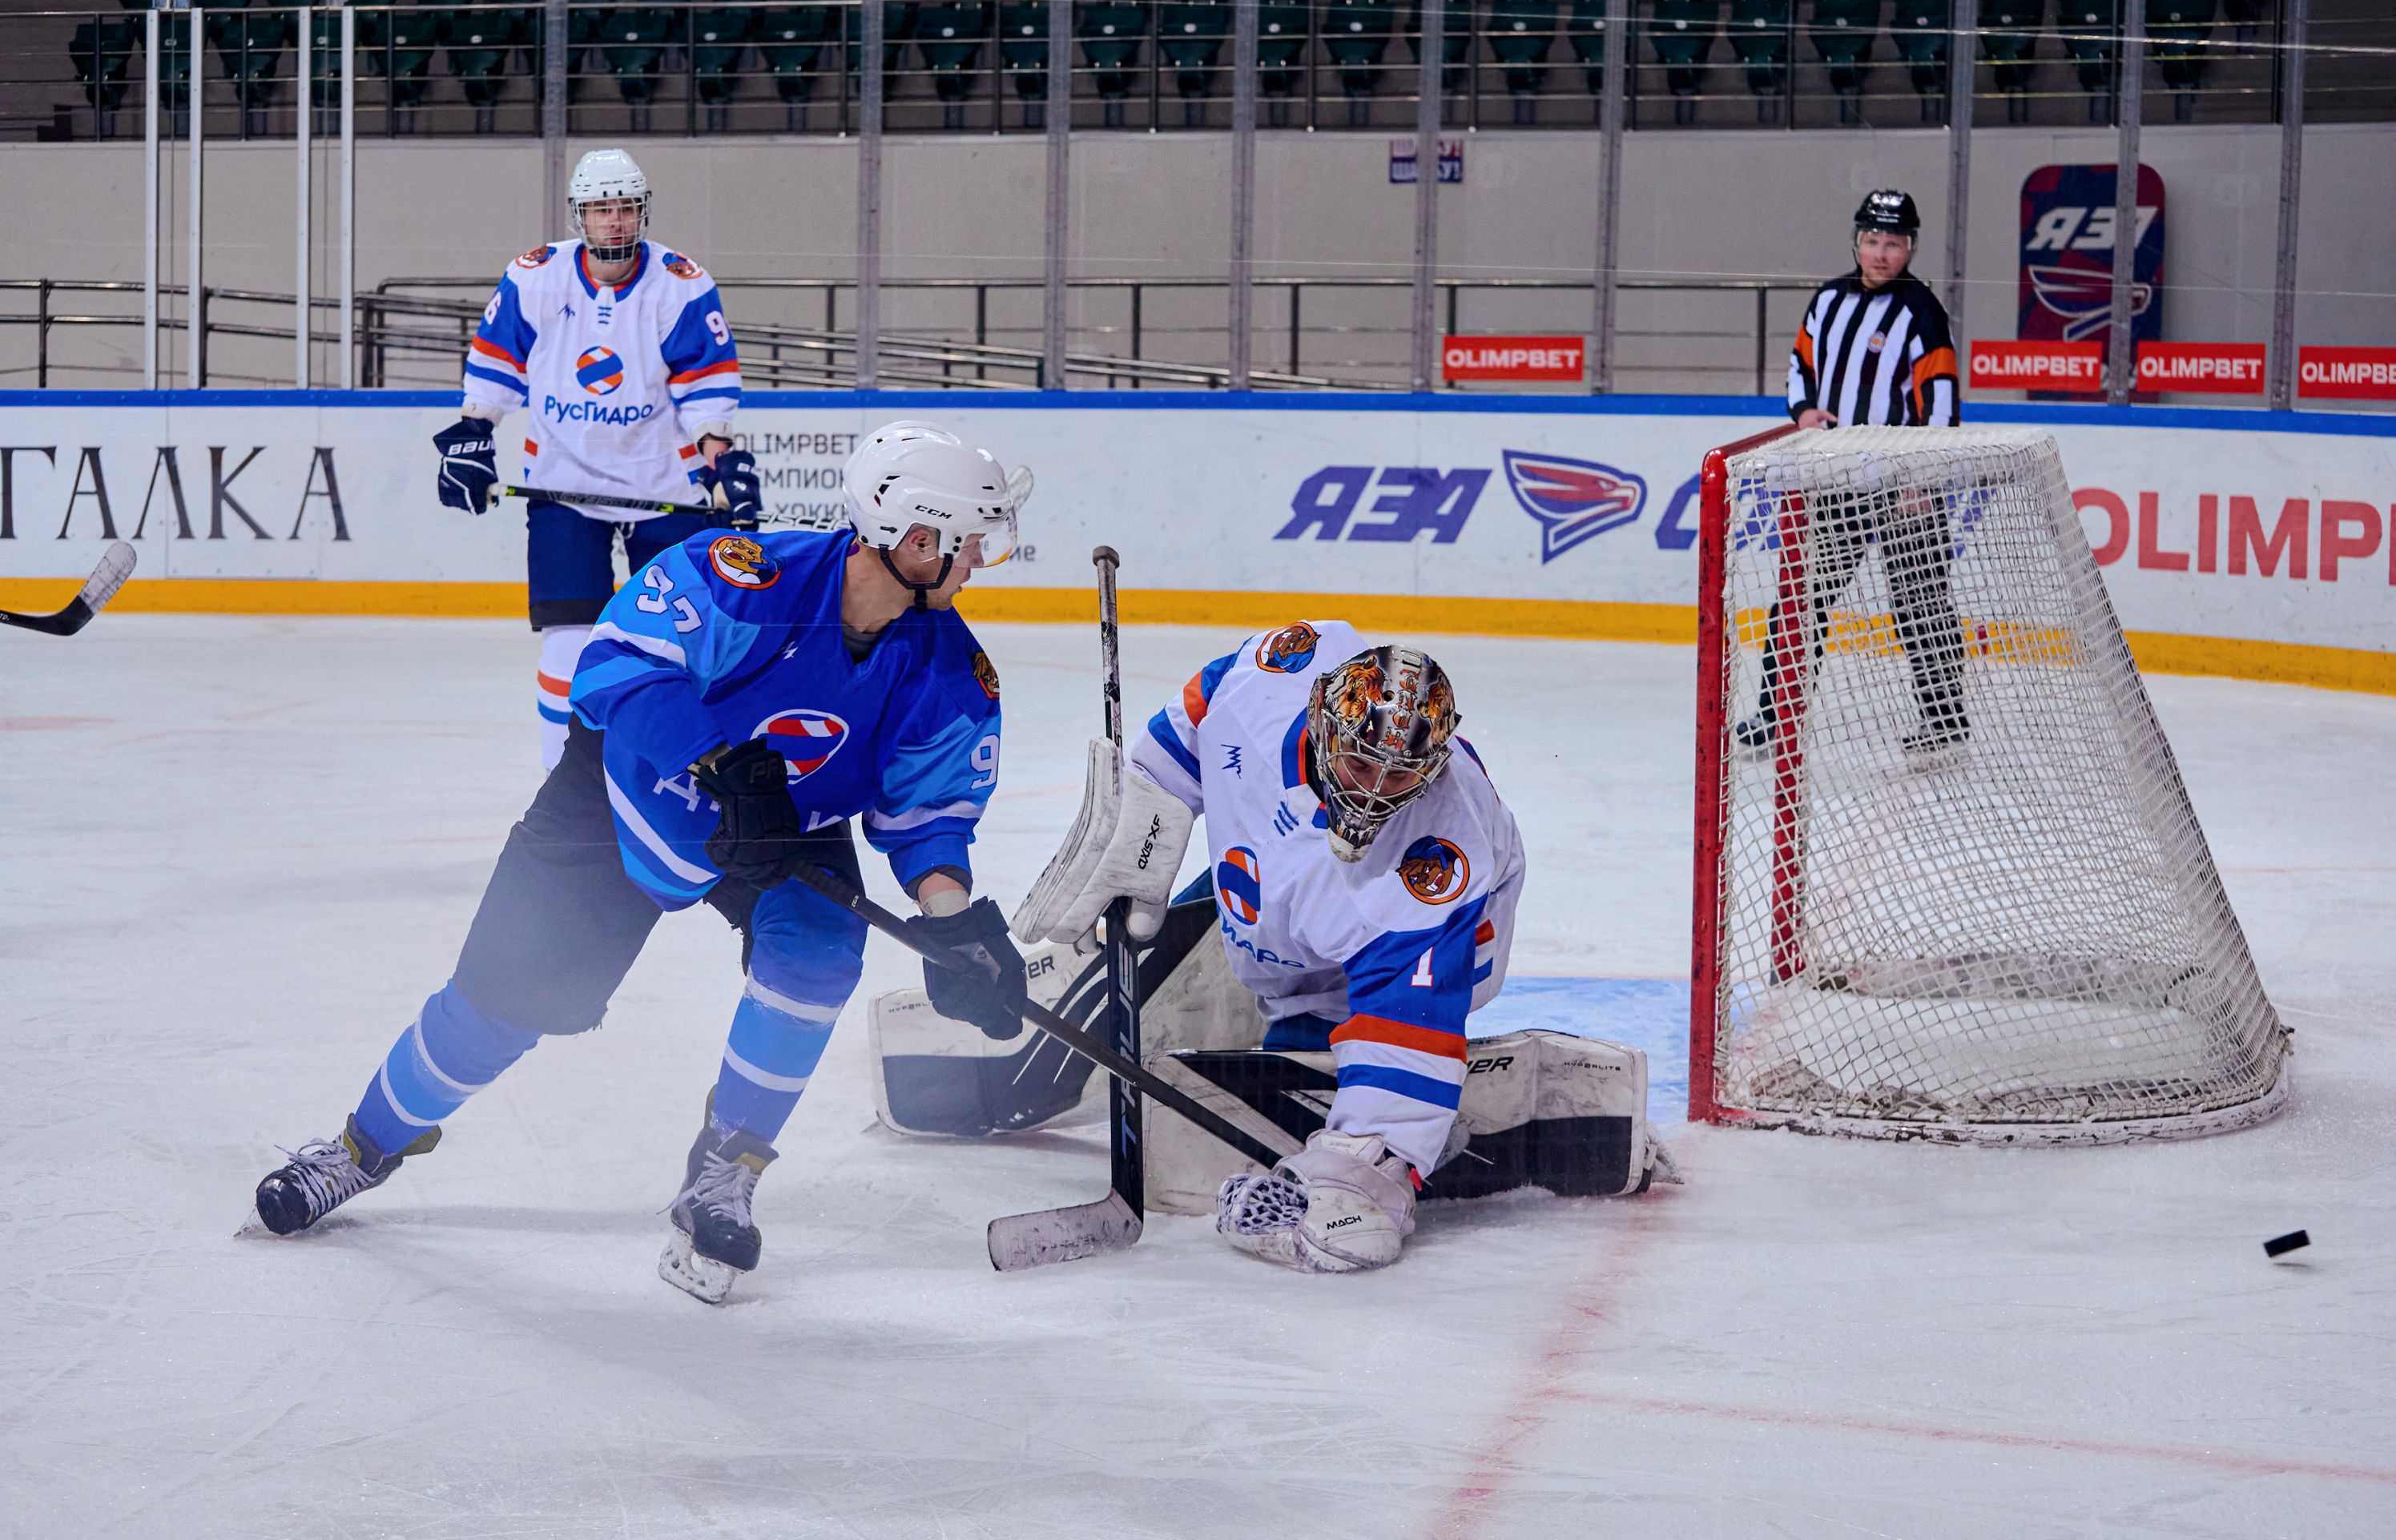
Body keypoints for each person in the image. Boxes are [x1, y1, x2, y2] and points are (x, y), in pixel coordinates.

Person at [252, 423, 1030, 1306]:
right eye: (971, 542)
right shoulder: (745, 577)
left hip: (782, 826)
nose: (979, 562)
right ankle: (360, 1148)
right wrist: (720, 764)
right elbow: (618, 665)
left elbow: (926, 811)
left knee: (818, 954)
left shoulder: (949, 670)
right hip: (624, 792)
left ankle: (724, 1171)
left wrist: (950, 921)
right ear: (917, 539)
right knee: (500, 1004)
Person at [1013, 623, 1525, 1274]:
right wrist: (1151, 806)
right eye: (1360, 764)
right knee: (1267, 944)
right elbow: (1204, 708)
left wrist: (1370, 1168)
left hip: (1426, 934)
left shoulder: (1436, 860)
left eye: (1399, 776)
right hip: (1275, 887)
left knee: (1319, 1048)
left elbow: (1407, 1017)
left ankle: (1390, 1118)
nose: (1372, 792)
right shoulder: (1272, 680)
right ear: (1321, 724)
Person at [431, 147, 758, 769]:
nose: (614, 220)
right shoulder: (535, 276)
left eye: (625, 207)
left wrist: (721, 462)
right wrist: (474, 433)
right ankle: (562, 785)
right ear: (578, 214)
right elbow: (497, 363)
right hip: (563, 486)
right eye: (601, 208)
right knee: (569, 639)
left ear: (643, 211)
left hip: (664, 487)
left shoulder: (681, 283)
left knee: (683, 642)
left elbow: (706, 384)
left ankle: (678, 772)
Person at [1738, 188, 1970, 756]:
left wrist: (1923, 475)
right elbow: (1801, 363)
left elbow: (1940, 397)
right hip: (1837, 481)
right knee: (1801, 600)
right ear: (1856, 242)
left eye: (1894, 243)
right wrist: (1802, 411)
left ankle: (1944, 723)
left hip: (1903, 487)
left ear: (1910, 247)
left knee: (1921, 604)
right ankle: (1774, 714)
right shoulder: (1828, 299)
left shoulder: (1921, 310)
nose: (1882, 253)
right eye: (1872, 241)